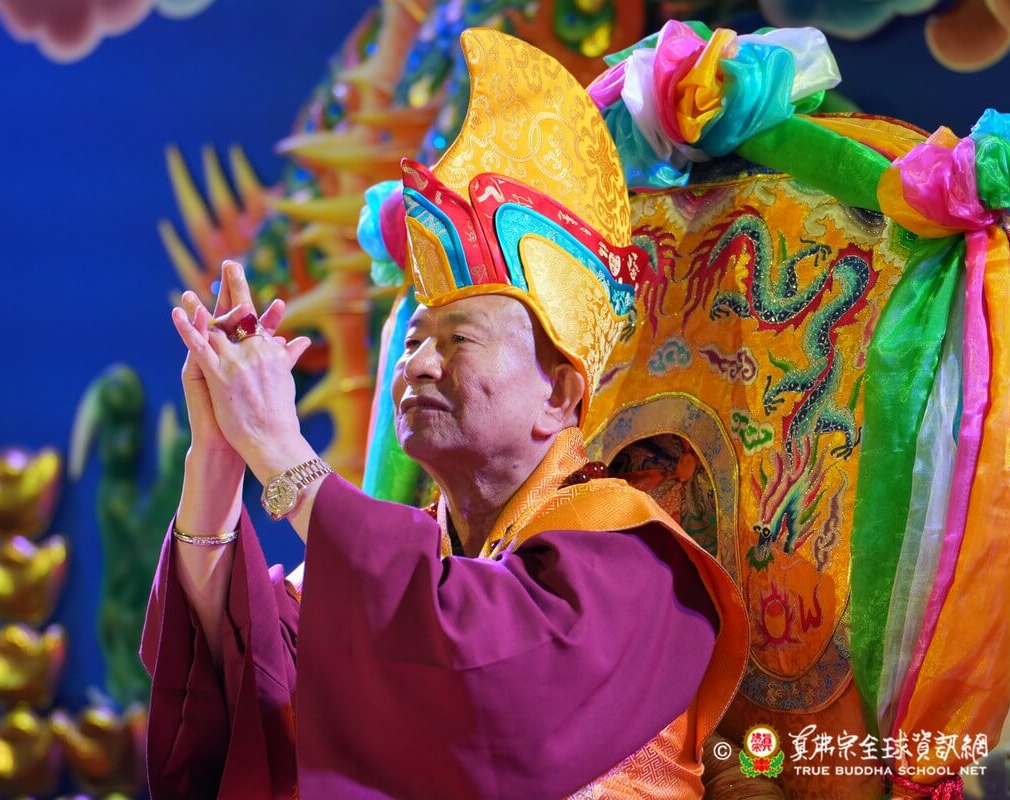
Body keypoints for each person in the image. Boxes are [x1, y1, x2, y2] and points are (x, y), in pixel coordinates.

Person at [141, 28, 748, 800]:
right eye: (414, 340)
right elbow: (240, 671)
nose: (419, 363)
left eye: (459, 339)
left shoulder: (634, 565)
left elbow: (482, 687)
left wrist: (281, 449)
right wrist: (220, 457)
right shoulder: (403, 565)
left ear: (559, 394)